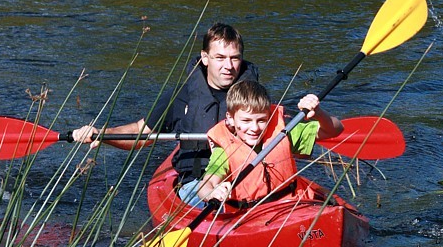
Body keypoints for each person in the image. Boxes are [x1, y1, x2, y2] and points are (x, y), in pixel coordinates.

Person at [71, 23, 259, 202]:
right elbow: (142, 131)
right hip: (195, 184)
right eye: (220, 58)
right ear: (205, 57)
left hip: (245, 179)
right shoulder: (180, 96)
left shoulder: (254, 97)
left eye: (234, 58)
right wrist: (104, 134)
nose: (228, 66)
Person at [191, 80, 343, 208]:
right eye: (246, 121)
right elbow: (205, 185)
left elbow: (335, 129)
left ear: (269, 117)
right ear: (230, 118)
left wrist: (319, 113)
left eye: (261, 120)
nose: (254, 128)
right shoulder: (225, 149)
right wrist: (213, 193)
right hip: (249, 215)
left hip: (292, 205)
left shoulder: (283, 133)